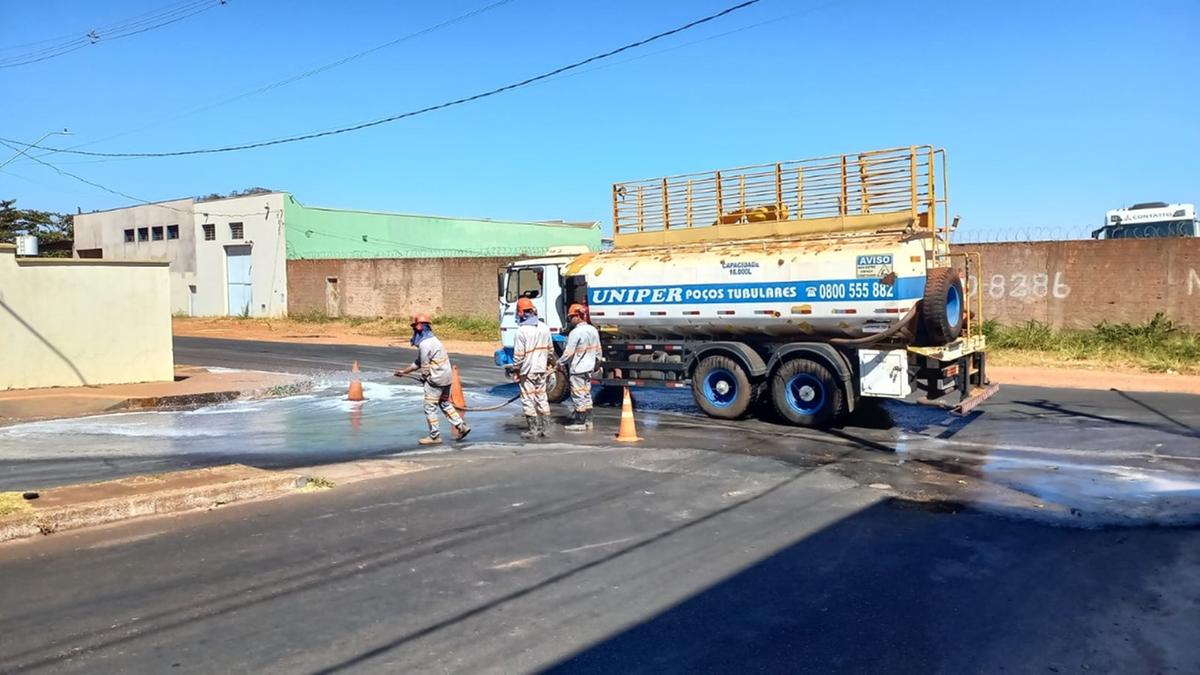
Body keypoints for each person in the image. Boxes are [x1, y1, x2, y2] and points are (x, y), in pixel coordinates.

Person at [394, 313, 470, 445]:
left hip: (436, 380)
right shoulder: (435, 340)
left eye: (413, 327)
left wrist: (426, 378)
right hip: (447, 378)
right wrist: (403, 371)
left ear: (418, 327)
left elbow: (424, 365)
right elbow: (418, 362)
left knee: (430, 407)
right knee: (445, 404)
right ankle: (461, 426)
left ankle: (434, 436)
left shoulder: (425, 344)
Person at [509, 296, 553, 439]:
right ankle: (545, 429)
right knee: (542, 397)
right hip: (541, 369)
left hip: (527, 370)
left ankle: (533, 429)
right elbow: (550, 350)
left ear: (521, 312)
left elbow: (519, 356)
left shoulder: (522, 331)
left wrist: (515, 370)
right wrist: (547, 364)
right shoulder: (544, 328)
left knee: (528, 399)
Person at [560, 303, 600, 432]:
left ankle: (580, 422)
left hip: (577, 369)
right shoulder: (593, 330)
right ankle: (589, 421)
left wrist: (559, 363)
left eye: (571, 317)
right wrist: (596, 363)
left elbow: (568, 353)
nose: (570, 320)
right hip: (589, 368)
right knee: (586, 394)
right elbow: (598, 350)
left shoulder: (575, 333)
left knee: (578, 395)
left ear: (577, 316)